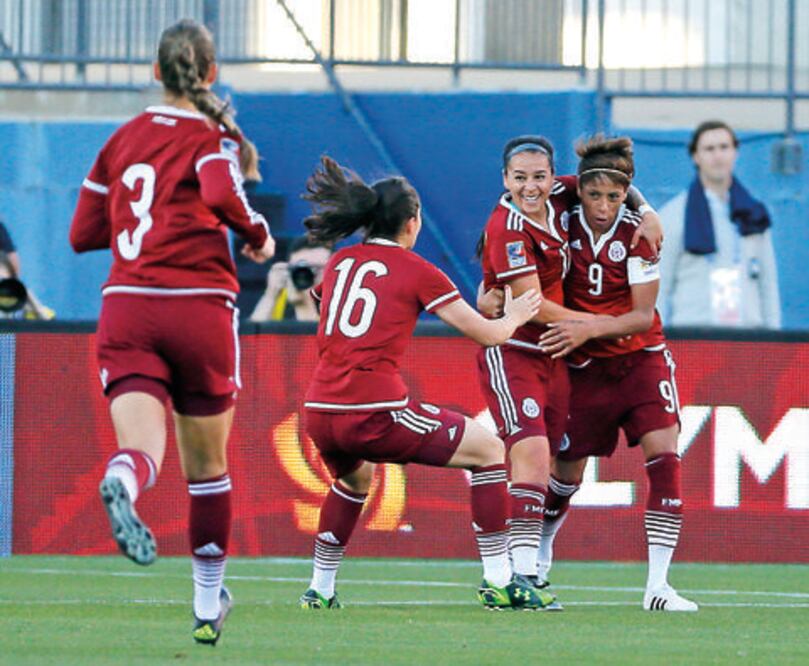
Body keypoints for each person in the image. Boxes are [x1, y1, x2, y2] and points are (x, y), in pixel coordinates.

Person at [69, 19, 275, 645]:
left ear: (156, 72)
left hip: (127, 307)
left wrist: (146, 223)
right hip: (199, 307)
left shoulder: (120, 140)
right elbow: (217, 189)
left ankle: (123, 480)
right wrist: (258, 233)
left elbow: (82, 234)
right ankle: (207, 607)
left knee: (143, 451)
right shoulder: (213, 137)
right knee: (208, 469)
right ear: (210, 74)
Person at [297, 155, 555, 611]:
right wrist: (514, 315)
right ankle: (499, 579)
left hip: (320, 411)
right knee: (490, 451)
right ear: (413, 222)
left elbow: (321, 307)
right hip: (373, 410)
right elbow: (487, 333)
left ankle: (319, 588)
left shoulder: (340, 263)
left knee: (356, 479)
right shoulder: (417, 270)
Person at [475, 136, 663, 592]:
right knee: (533, 454)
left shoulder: (564, 192)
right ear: (505, 179)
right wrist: (603, 324)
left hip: (558, 356)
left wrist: (649, 211)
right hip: (515, 348)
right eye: (520, 178)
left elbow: (614, 185)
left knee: (560, 466)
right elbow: (532, 305)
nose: (531, 187)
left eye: (539, 176)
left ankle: (526, 568)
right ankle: (512, 574)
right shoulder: (507, 229)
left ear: (554, 177)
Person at [536, 135, 698, 612]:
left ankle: (658, 587)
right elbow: (527, 194)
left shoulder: (639, 234)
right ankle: (541, 551)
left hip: (640, 359)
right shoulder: (560, 207)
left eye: (614, 196)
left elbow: (642, 316)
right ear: (580, 189)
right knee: (565, 476)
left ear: (624, 194)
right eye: (595, 195)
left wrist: (586, 326)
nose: (603, 206)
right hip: (584, 366)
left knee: (664, 458)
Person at [658, 120, 781, 328]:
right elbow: (660, 287)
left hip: (748, 337)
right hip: (694, 336)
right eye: (709, 149)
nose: (718, 155)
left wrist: (774, 337)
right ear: (696, 157)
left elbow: (768, 284)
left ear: (735, 152)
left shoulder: (754, 214)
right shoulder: (673, 215)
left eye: (724, 147)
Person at [249, 235, 332, 321]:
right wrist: (270, 295)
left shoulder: (340, 314)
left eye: (316, 268)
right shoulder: (280, 306)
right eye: (298, 269)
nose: (304, 275)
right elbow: (253, 332)